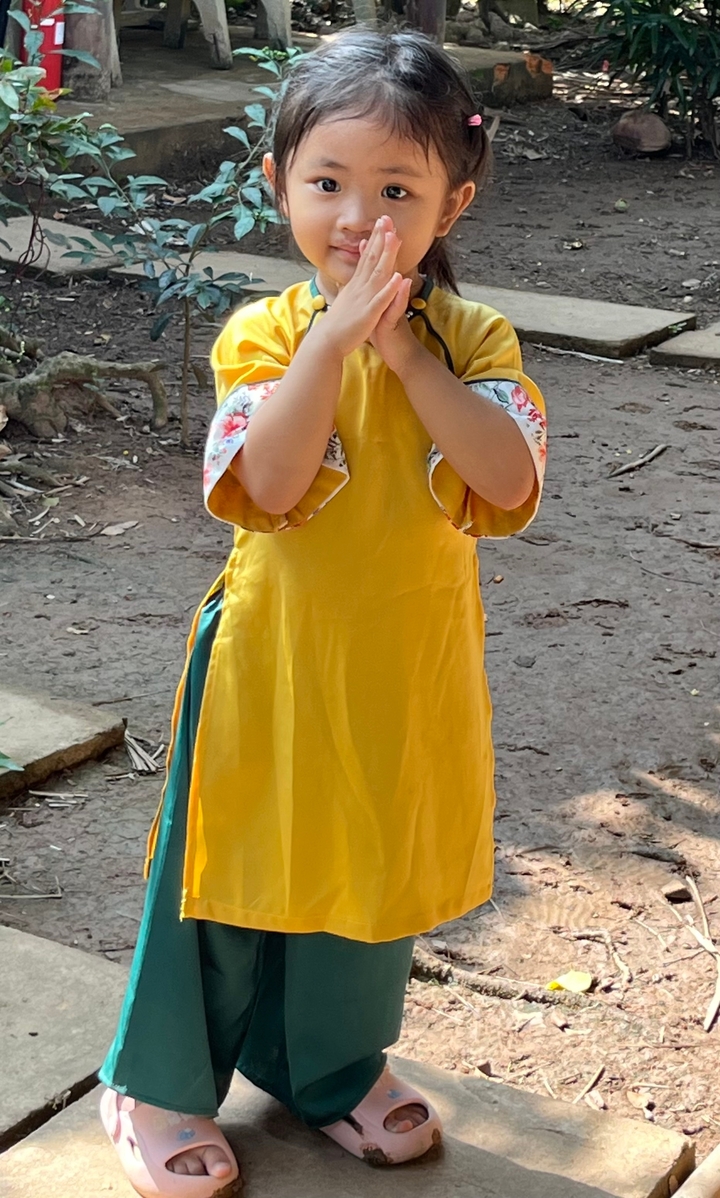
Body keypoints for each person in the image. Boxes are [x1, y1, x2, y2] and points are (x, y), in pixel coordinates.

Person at [99, 28, 547, 1198]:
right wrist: (337, 341)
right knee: (226, 876)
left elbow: (504, 481)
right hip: (272, 664)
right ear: (278, 187)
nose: (362, 216)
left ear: (458, 196)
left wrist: (407, 358)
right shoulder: (264, 337)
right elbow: (274, 485)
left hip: (409, 669)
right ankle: (158, 1086)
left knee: (371, 873)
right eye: (330, 183)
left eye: (397, 188)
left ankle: (329, 1064)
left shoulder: (476, 340)